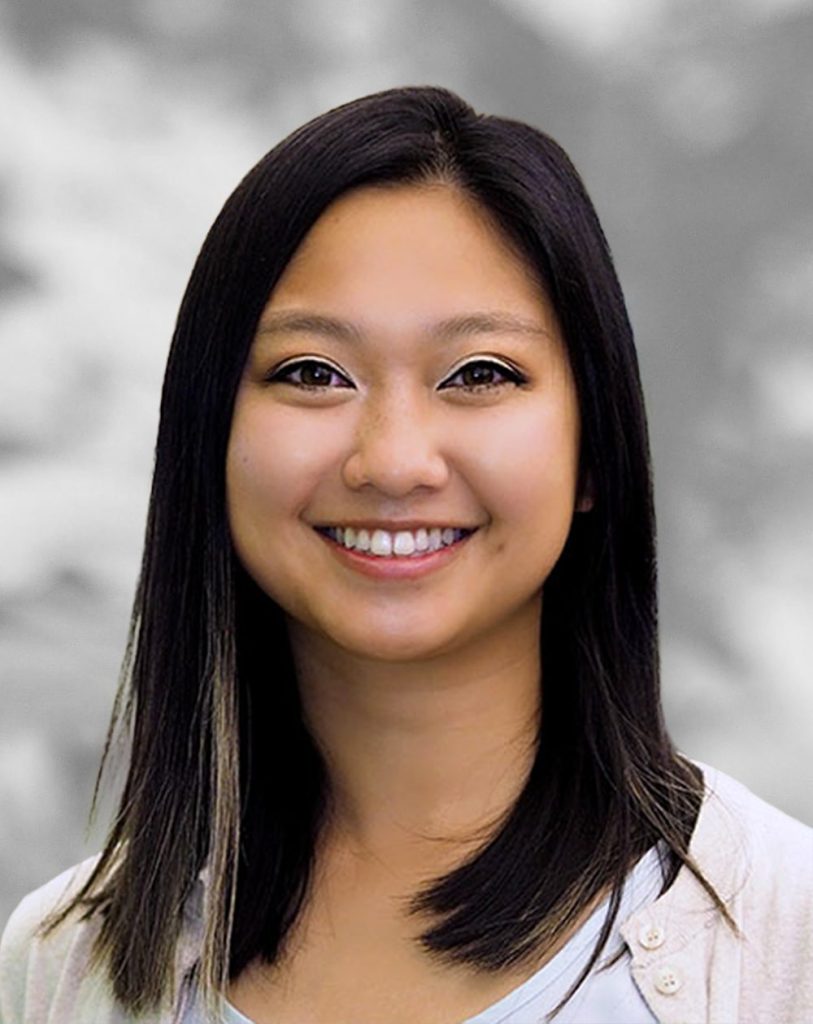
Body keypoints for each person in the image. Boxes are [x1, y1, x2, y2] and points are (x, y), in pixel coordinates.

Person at [0, 85, 811, 1024]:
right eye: (312, 373)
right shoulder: (57, 968)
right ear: (207, 440)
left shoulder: (787, 941)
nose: (391, 460)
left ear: (595, 449)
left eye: (479, 375)